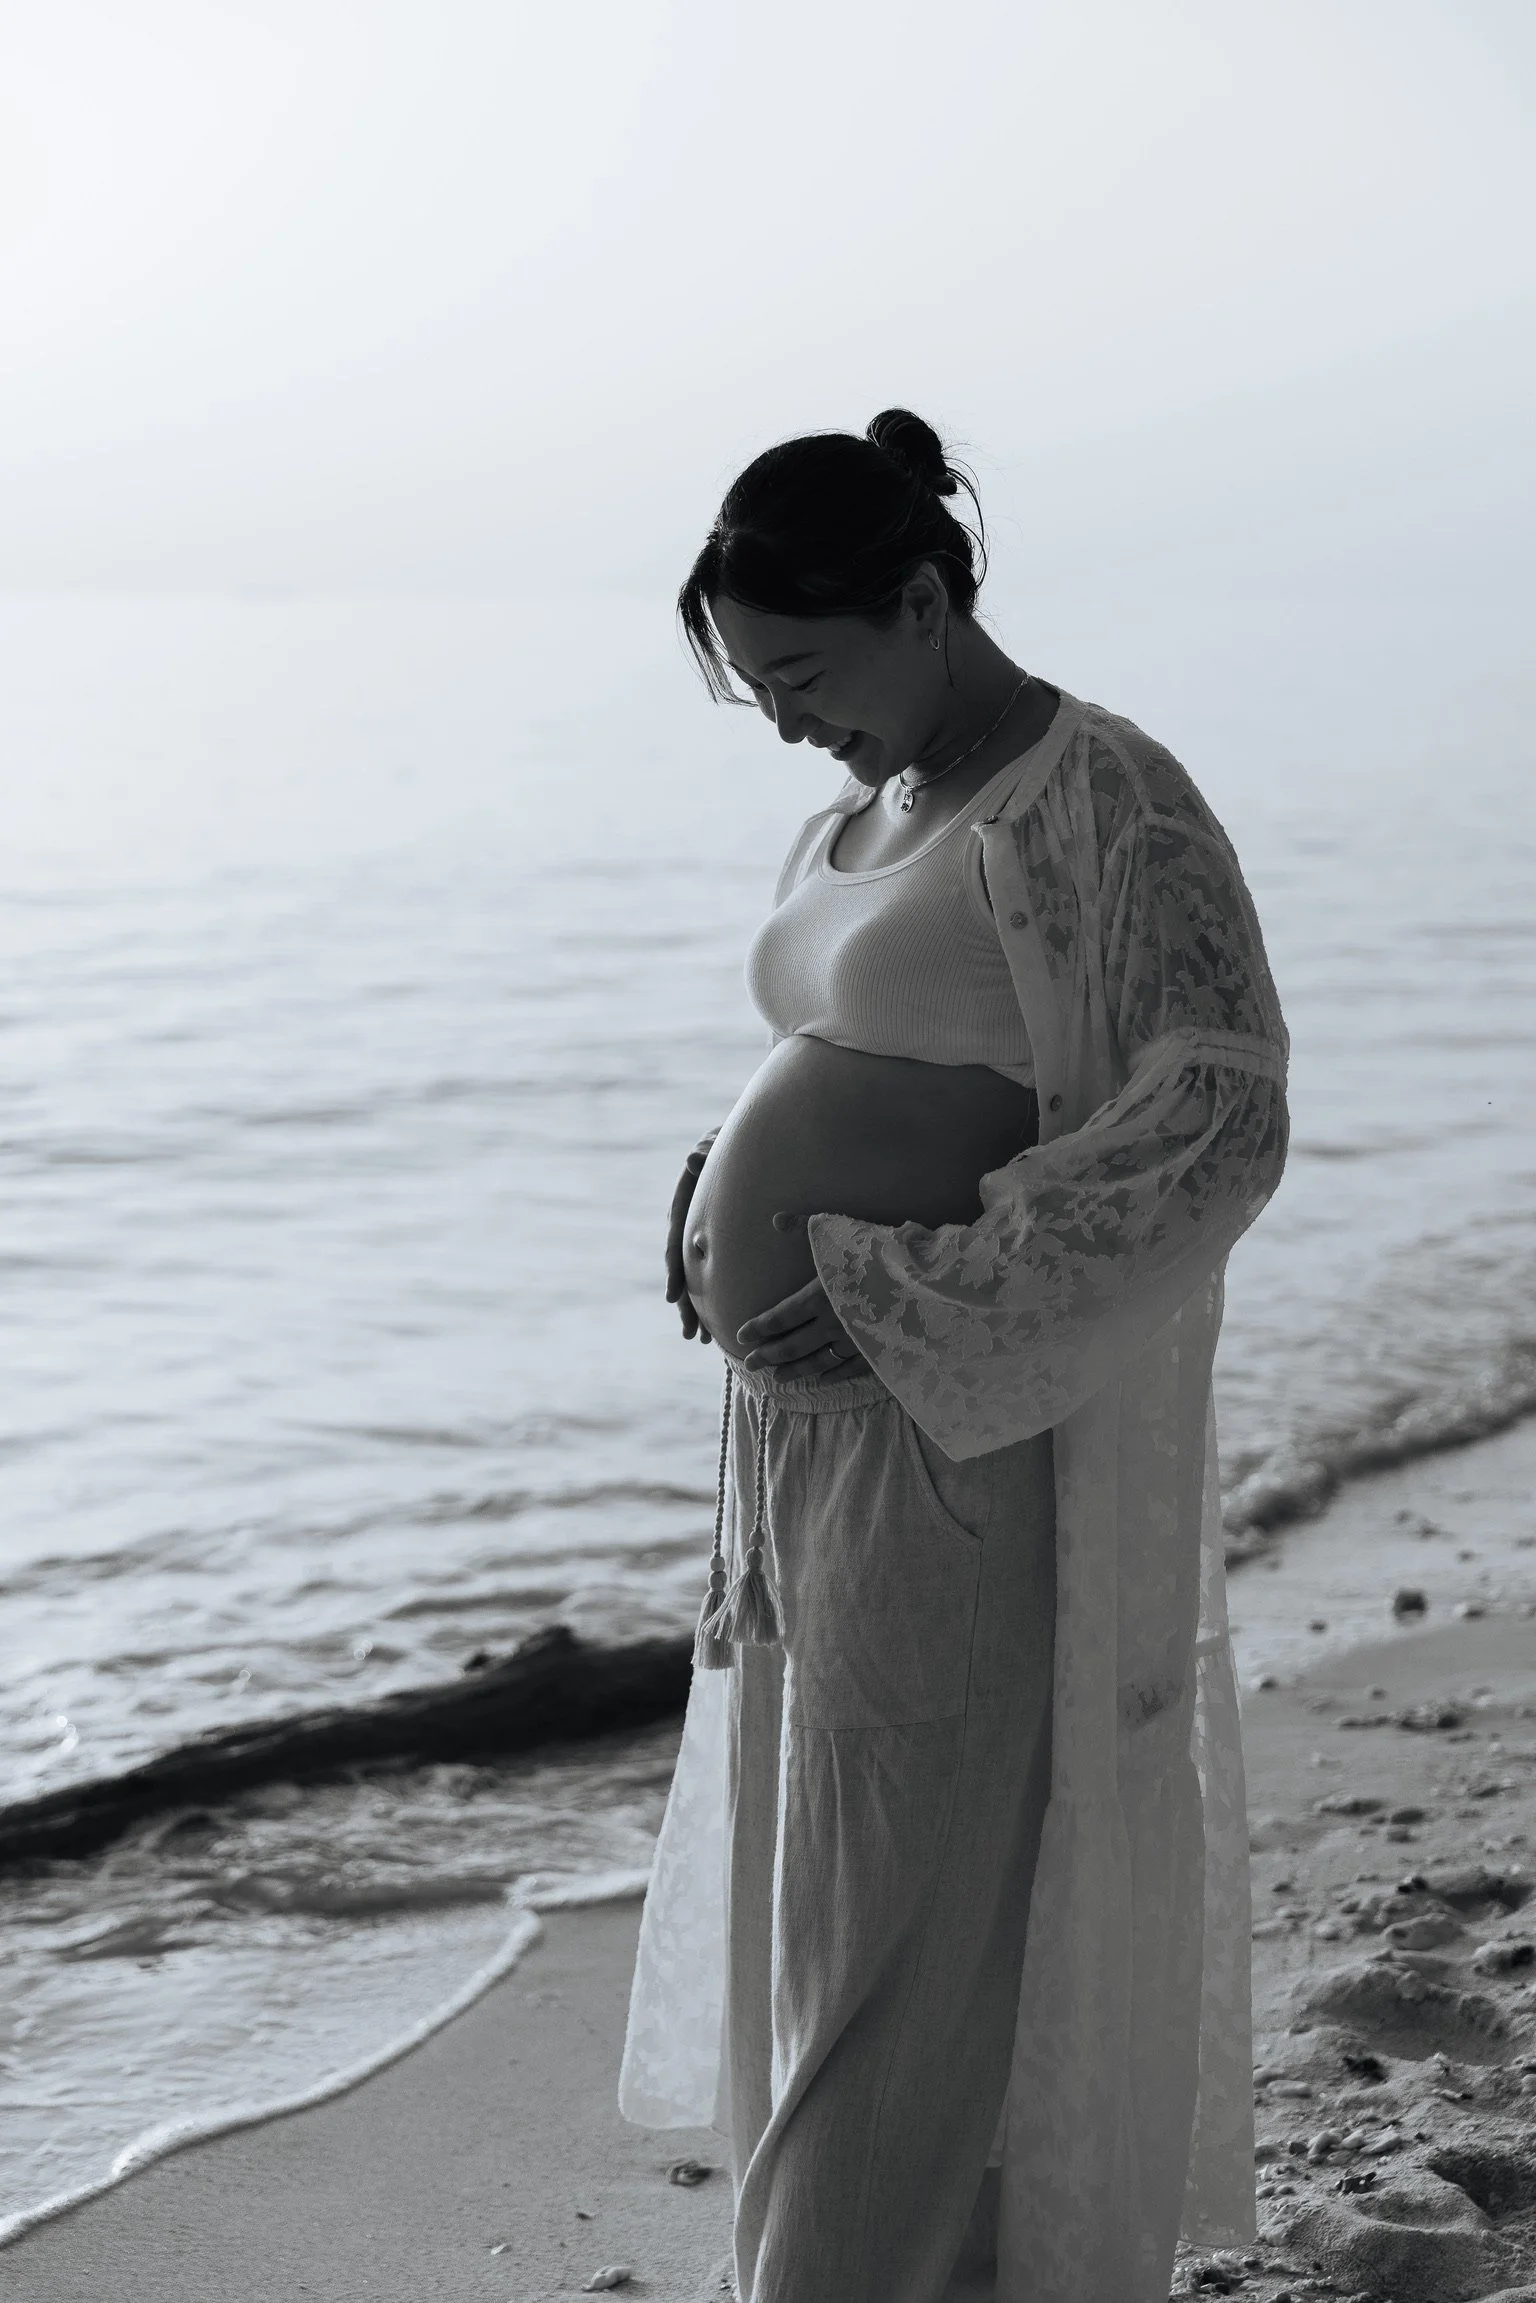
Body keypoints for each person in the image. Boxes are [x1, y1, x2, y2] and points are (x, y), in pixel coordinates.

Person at [618, 409, 1289, 2303]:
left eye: (804, 674)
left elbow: (1217, 1120)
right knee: (824, 1916)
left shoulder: (1105, 794)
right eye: (756, 688)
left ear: (922, 603)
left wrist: (920, 1291)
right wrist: (717, 1174)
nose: (785, 723)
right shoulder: (868, 806)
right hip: (796, 1442)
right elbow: (882, 1050)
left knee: (894, 1950)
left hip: (942, 1433)